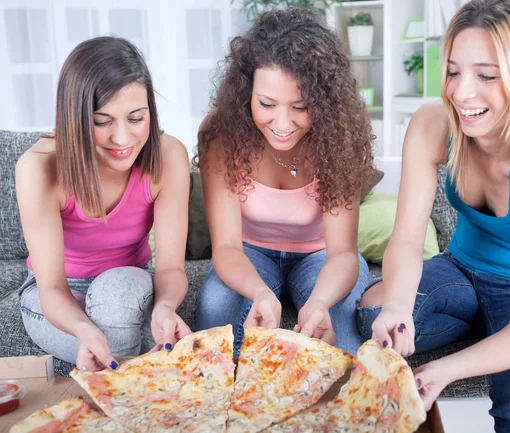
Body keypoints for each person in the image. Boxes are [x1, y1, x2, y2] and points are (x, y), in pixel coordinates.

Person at [357, 0, 510, 431]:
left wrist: (445, 370)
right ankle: (486, 333)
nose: (461, 92)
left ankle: (493, 339)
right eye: (452, 71)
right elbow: (407, 238)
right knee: (376, 316)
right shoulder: (433, 125)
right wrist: (398, 308)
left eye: (486, 75)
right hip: (460, 272)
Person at [195, 8, 374, 354]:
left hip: (321, 255)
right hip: (248, 253)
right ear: (246, 93)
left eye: (300, 106)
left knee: (339, 329)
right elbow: (227, 247)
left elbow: (342, 254)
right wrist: (260, 293)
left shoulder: (340, 140)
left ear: (323, 102)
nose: (282, 122)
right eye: (267, 104)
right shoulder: (220, 137)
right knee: (216, 305)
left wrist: (320, 301)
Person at [16, 36, 191, 372]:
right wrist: (83, 330)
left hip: (128, 286)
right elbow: (52, 287)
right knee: (147, 350)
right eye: (101, 121)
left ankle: (121, 387)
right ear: (75, 118)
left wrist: (166, 307)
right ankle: (134, 389)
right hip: (57, 298)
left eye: (136, 118)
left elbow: (170, 268)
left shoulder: (169, 156)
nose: (123, 139)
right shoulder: (37, 169)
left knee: (117, 296)